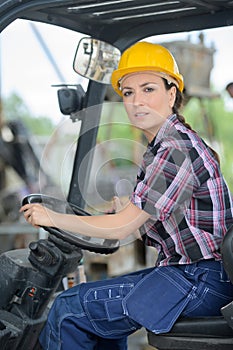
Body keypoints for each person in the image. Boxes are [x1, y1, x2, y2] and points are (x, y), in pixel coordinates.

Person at [20, 42, 233, 350]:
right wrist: (123, 212)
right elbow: (133, 223)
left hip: (201, 280)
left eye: (148, 89)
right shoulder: (165, 148)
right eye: (129, 93)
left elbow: (123, 227)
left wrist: (52, 218)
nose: (136, 102)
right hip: (197, 276)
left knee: (67, 309)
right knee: (100, 323)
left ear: (171, 93)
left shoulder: (175, 150)